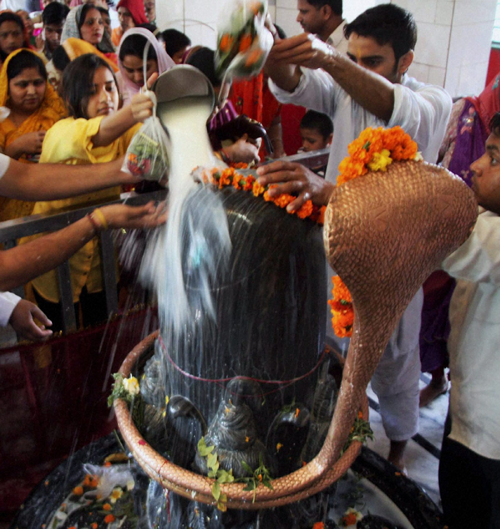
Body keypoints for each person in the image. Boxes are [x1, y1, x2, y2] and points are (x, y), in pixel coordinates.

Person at [259, 4, 452, 471]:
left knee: (395, 363)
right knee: (333, 350)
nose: (360, 70)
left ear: (405, 61)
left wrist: (331, 59)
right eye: (354, 58)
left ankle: (398, 452)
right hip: (339, 253)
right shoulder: (345, 91)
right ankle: (334, 435)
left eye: (374, 61)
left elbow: (396, 108)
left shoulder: (433, 103)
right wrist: (268, 49)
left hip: (393, 266)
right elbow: (294, 83)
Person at [21, 53, 153, 332]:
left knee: (99, 329)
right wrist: (132, 110)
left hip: (101, 262)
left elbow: (152, 144)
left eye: (109, 87)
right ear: (71, 99)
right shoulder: (61, 131)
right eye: (92, 92)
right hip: (55, 260)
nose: (105, 98)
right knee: (57, 333)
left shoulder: (123, 131)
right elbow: (98, 134)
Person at [438, 112, 500, 528]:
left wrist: (338, 196)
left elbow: (442, 239)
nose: (476, 165)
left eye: (494, 158)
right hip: (466, 412)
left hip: (490, 439)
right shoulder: (488, 218)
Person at [0, 49, 66, 221]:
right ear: (7, 85)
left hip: (51, 208)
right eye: (22, 85)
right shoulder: (1, 121)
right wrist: (16, 147)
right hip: (6, 217)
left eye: (38, 83)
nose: (31, 91)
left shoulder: (56, 114)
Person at [117, 27, 174, 106]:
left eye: (144, 69)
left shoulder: (176, 85)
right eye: (130, 71)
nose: (138, 78)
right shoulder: (117, 85)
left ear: (158, 61)